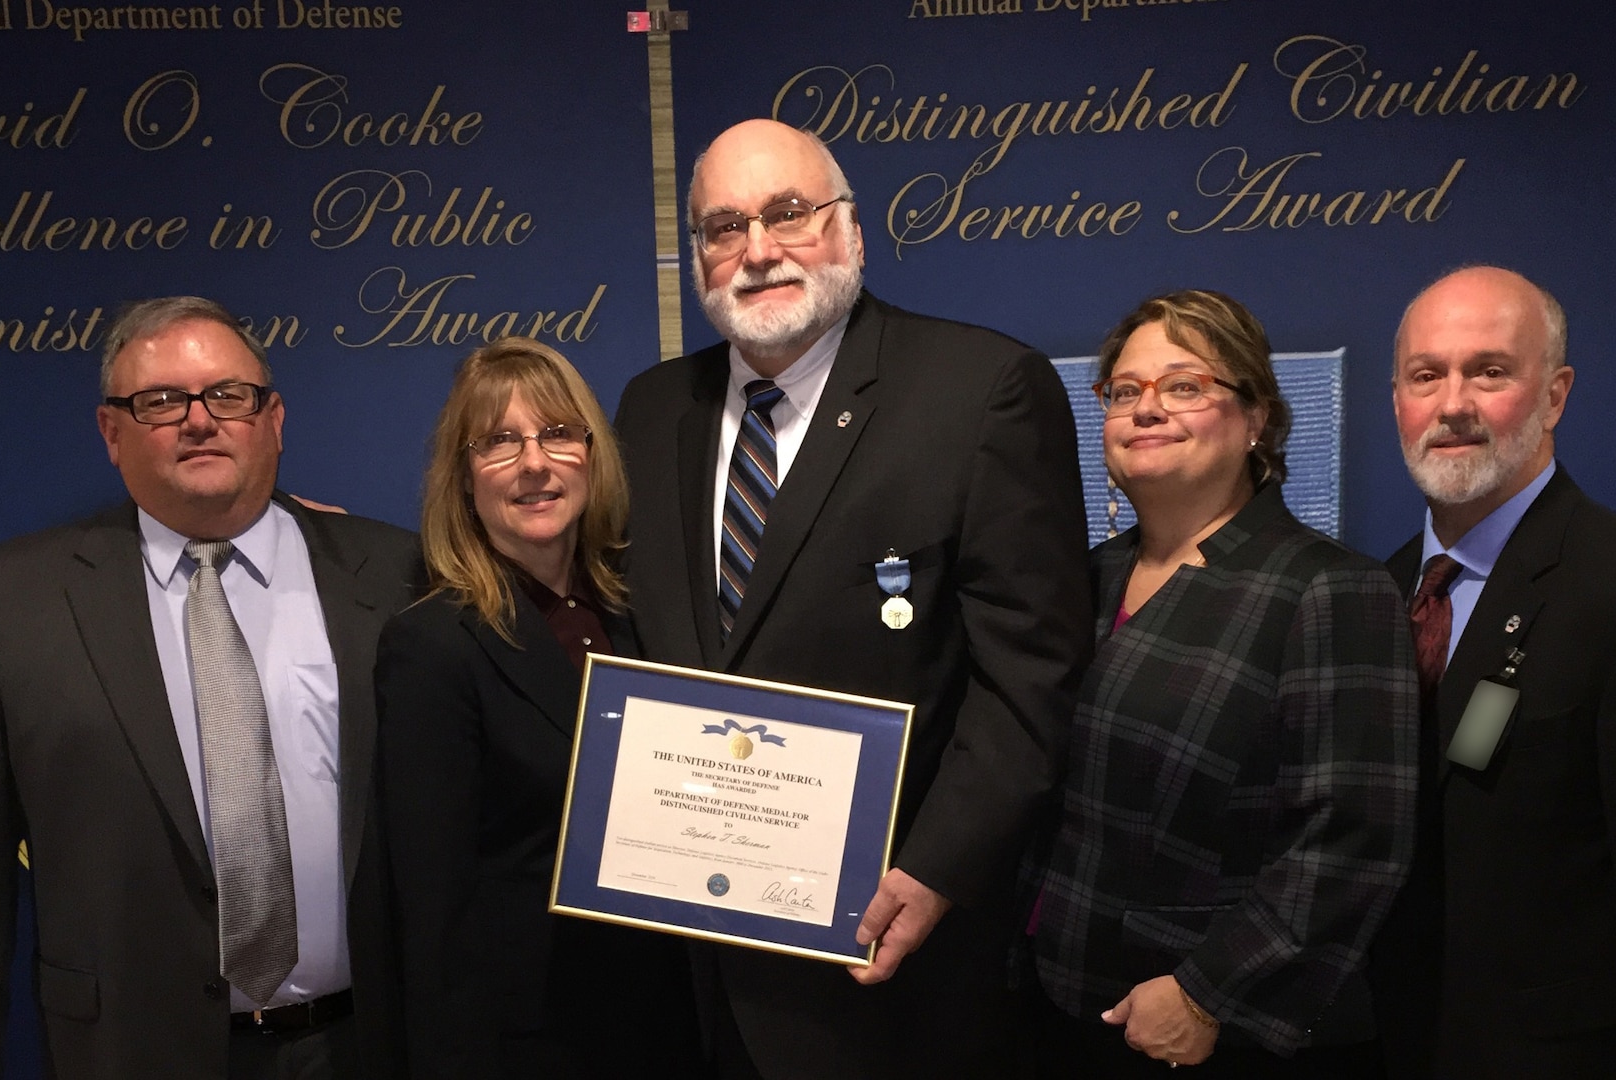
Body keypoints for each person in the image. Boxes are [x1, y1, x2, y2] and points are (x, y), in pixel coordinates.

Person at [612, 117, 1092, 1078]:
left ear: (852, 230)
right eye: (722, 227)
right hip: (691, 958)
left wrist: (937, 870)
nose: (757, 251)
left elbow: (1031, 676)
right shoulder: (652, 406)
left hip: (891, 959)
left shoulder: (982, 390)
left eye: (789, 213)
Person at [0, 296, 423, 1080]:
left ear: (273, 419)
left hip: (366, 1045)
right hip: (128, 1052)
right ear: (112, 433)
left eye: (228, 396)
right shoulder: (14, 600)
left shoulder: (399, 573)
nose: (199, 421)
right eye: (161, 401)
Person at [1027, 290, 1419, 1077]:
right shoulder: (1081, 580)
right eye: (1126, 391)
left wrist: (1210, 993)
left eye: (1184, 386)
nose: (1148, 410)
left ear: (1257, 421)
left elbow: (1351, 843)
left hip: (1209, 1034)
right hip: (1055, 1008)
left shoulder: (1327, 589)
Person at [1367, 266, 1616, 1079]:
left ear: (1556, 395)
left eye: (1490, 371)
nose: (1453, 403)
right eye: (1426, 375)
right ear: (1396, 399)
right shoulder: (1373, 595)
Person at [374, 338, 702, 1079]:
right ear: (463, 477)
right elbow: (433, 912)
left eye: (557, 433)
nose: (533, 463)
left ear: (593, 452)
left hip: (673, 1025)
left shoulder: (644, 615)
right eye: (497, 442)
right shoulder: (431, 646)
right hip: (531, 1044)